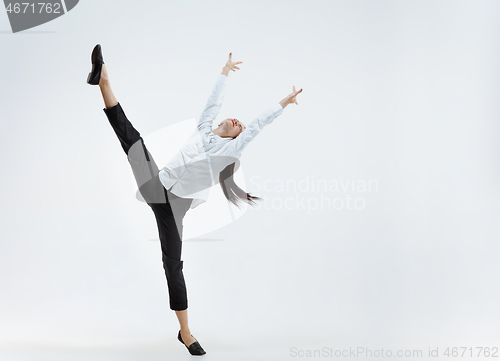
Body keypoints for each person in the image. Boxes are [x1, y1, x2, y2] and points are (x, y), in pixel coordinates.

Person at [87, 44, 302, 356]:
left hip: (173, 207)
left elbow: (256, 126)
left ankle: (185, 332)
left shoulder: (230, 151)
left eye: (239, 126)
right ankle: (104, 81)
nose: (237, 121)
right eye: (236, 119)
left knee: (173, 265)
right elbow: (213, 102)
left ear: (235, 137)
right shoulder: (204, 129)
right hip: (156, 183)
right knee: (133, 141)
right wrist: (225, 72)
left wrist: (284, 101)